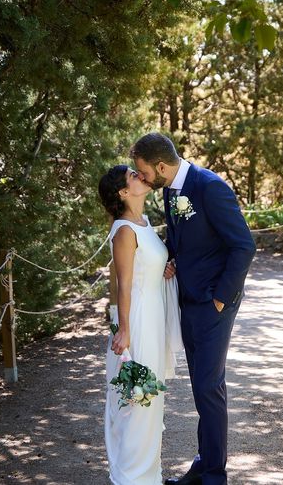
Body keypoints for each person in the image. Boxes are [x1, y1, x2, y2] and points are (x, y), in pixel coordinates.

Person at [130, 133, 256, 485]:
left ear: (160, 166)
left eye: (143, 171)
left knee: (208, 385)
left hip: (214, 304)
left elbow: (244, 246)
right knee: (202, 387)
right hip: (189, 299)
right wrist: (170, 259)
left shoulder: (210, 187)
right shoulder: (171, 189)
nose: (141, 178)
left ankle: (215, 475)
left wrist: (220, 297)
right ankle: (204, 464)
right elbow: (181, 239)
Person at [99, 164, 182, 485]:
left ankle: (149, 475)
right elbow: (124, 284)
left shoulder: (144, 222)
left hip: (154, 315)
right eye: (132, 176)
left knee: (153, 399)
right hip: (137, 322)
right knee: (137, 399)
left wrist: (163, 271)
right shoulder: (123, 230)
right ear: (123, 192)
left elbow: (147, 266)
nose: (139, 175)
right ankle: (131, 476)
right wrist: (125, 331)